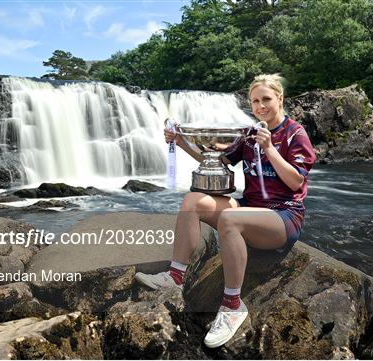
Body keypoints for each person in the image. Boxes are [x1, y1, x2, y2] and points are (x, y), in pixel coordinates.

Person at [135, 74, 316, 348]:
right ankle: (174, 277)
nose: (260, 106)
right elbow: (216, 161)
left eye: (266, 99)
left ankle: (233, 306)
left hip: (284, 216)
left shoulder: (295, 133)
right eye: (255, 101)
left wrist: (269, 148)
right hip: (251, 208)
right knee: (193, 201)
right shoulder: (249, 134)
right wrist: (181, 142)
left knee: (230, 219)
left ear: (280, 98)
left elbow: (296, 181)